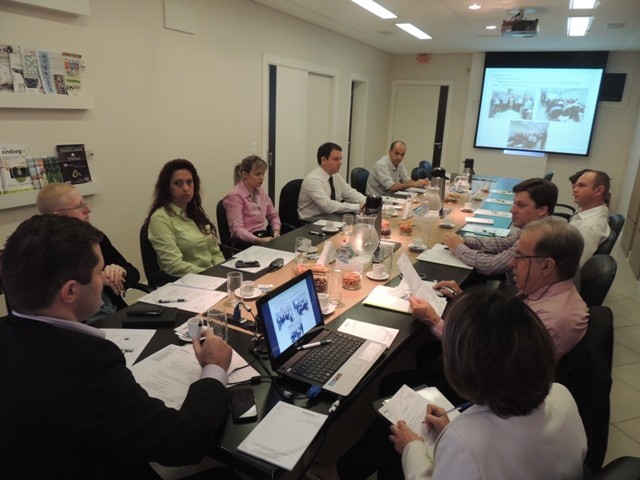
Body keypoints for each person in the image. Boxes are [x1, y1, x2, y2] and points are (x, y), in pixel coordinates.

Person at [0, 215, 234, 479]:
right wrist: (214, 369)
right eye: (99, 272)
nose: (104, 279)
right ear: (70, 291)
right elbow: (185, 443)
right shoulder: (87, 362)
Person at [313, 288, 587, 480]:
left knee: (395, 442)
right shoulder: (562, 394)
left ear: (462, 369)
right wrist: (449, 428)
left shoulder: (465, 442)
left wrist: (412, 450)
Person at [414, 220, 589, 360]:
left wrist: (433, 321)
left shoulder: (549, 322)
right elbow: (499, 326)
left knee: (423, 355)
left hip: (484, 384)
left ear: (546, 266)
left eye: (519, 256)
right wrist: (462, 298)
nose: (511, 263)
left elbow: (483, 357)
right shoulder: (547, 293)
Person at [36, 183, 140, 322]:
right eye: (79, 206)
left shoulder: (94, 238)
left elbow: (134, 273)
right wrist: (96, 279)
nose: (88, 209)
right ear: (59, 216)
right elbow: (56, 298)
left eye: (84, 203)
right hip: (84, 324)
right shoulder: (43, 251)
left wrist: (120, 273)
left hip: (117, 313)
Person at [442, 177, 558, 291]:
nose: (512, 210)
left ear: (542, 210)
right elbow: (505, 243)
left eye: (521, 205)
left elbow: (491, 266)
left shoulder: (537, 236)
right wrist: (465, 241)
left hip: (512, 296)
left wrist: (457, 247)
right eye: (514, 204)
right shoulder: (536, 226)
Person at [146, 159, 225, 277]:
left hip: (212, 277)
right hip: (187, 280)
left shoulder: (195, 212)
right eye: (178, 183)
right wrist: (209, 275)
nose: (186, 188)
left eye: (189, 182)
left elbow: (214, 250)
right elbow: (173, 265)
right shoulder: (160, 218)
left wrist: (222, 271)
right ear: (167, 187)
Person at [223, 155, 281, 249]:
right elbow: (238, 230)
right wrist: (258, 240)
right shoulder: (234, 196)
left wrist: (276, 231)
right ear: (245, 175)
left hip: (261, 238)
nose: (262, 178)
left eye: (263, 174)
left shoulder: (261, 191)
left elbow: (273, 215)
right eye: (257, 174)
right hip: (244, 243)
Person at [298, 142, 366, 221]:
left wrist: (367, 202)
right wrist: (358, 207)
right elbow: (328, 206)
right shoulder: (313, 180)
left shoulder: (335, 175)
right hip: (311, 223)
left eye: (340, 159)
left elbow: (350, 193)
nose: (340, 163)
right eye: (336, 159)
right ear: (323, 160)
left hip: (330, 219)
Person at [569, 169, 611, 266]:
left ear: (599, 190)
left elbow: (573, 266)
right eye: (575, 186)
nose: (574, 190)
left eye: (581, 186)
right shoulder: (592, 210)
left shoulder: (589, 227)